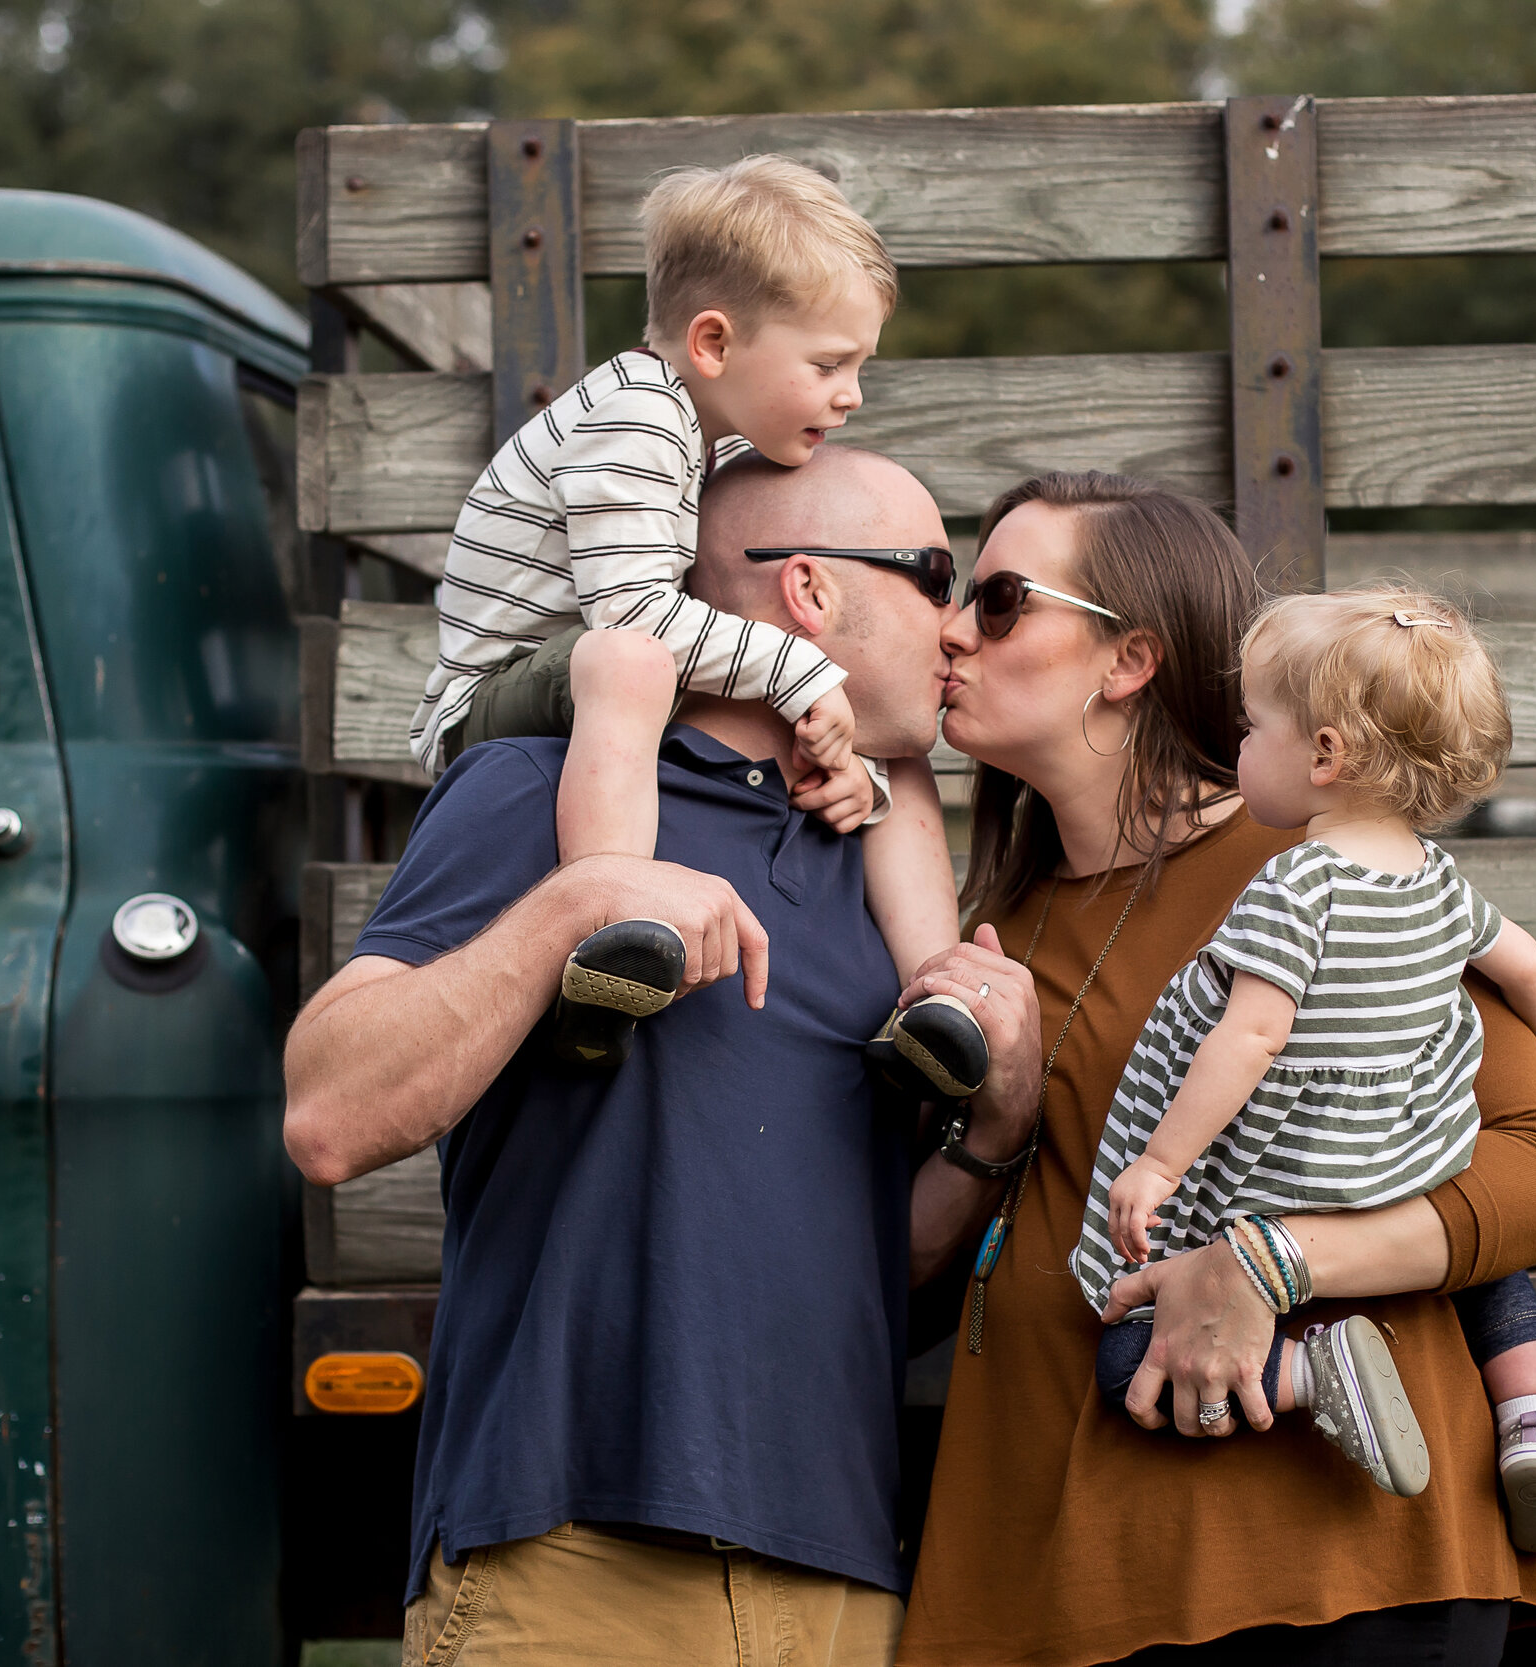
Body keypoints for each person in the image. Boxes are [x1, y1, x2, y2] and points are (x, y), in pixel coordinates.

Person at [285, 447, 1047, 1667]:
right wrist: (575, 898)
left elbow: (879, 1255)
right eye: (936, 578)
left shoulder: (885, 872)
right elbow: (328, 1109)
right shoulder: (541, 781)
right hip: (573, 1558)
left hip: (842, 1574)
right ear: (811, 592)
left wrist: (997, 1130)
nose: (959, 628)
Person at [892, 472, 1536, 1667]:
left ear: (1128, 661)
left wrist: (1269, 1263)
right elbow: (916, 1283)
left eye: (1002, 599)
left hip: (1314, 1567)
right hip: (1054, 1576)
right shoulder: (994, 919)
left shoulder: (1320, 868)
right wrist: (995, 1131)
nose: (953, 627)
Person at [403, 153, 982, 1092]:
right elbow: (633, 619)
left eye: (859, 365)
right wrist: (801, 672)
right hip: (496, 695)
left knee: (872, 751)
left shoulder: (703, 436)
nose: (853, 395)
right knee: (634, 663)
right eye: (830, 364)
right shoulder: (637, 418)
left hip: (597, 671)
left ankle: (935, 997)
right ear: (713, 343)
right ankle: (609, 928)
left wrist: (854, 770)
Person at [1073, 585, 1536, 1554]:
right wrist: (1487, 1049)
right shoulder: (1438, 882)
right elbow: (1532, 969)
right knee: (1493, 1270)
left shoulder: (1295, 882)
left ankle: (1317, 1375)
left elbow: (1249, 1036)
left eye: (1250, 726)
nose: (1237, 748)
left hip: (1290, 1188)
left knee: (1121, 1361)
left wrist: (1160, 1164)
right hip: (1405, 1161)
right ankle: (1533, 1418)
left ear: (1323, 755)